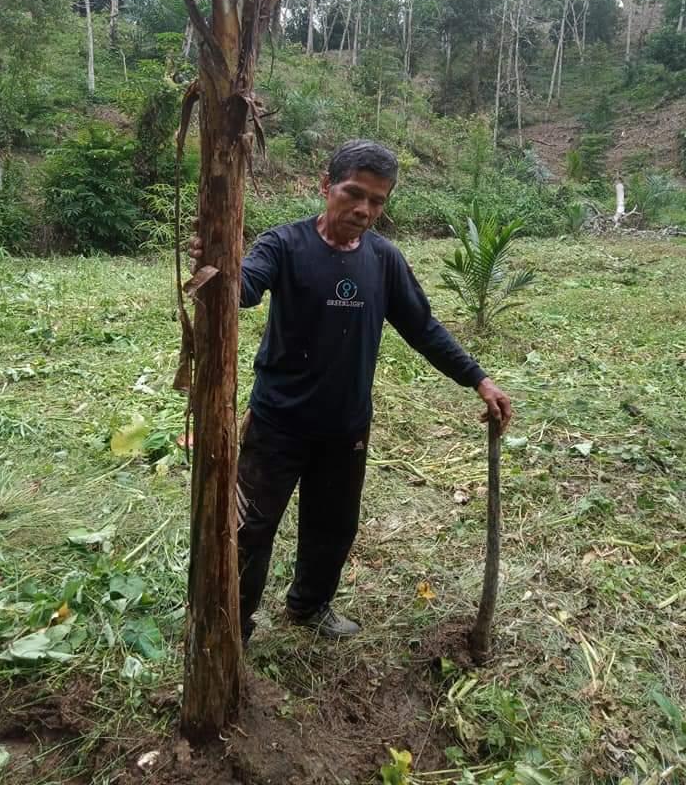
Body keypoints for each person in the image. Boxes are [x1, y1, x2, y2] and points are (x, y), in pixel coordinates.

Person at [190, 140, 511, 642]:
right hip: (277, 423)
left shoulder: (384, 260)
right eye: (354, 194)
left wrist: (478, 378)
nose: (364, 210)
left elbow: (423, 328)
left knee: (333, 526)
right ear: (326, 185)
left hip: (345, 427)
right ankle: (234, 621)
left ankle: (310, 605)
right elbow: (245, 288)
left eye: (378, 201)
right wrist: (216, 264)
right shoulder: (284, 244)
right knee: (249, 529)